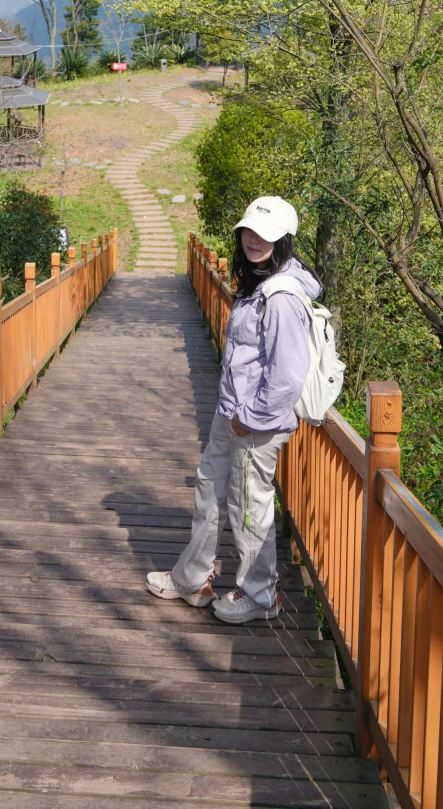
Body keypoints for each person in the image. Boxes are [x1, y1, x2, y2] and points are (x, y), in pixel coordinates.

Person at [146, 195, 316, 624]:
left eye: (265, 234)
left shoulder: (281, 297)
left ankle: (260, 596)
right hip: (232, 414)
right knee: (209, 491)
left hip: (255, 423)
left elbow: (287, 376)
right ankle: (193, 579)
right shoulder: (259, 282)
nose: (253, 240)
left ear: (283, 240)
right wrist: (233, 414)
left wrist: (249, 418)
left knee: (248, 507)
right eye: (249, 232)